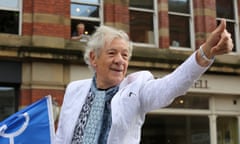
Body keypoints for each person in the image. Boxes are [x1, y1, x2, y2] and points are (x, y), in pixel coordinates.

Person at [54, 19, 233, 144]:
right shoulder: (74, 89)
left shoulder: (136, 88)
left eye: (125, 55)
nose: (120, 60)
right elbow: (61, 138)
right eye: (112, 53)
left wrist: (205, 53)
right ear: (94, 58)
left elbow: (171, 85)